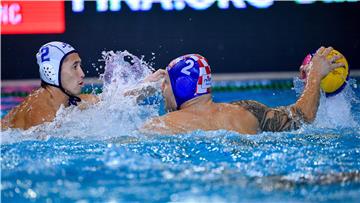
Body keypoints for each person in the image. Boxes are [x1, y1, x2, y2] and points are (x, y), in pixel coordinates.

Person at [142, 46, 345, 134]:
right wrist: (315, 76)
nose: (161, 88)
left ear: (182, 86)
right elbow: (302, 117)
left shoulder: (160, 126)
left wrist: (135, 92)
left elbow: (112, 135)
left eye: (166, 82)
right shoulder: (247, 111)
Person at [1, 41, 164, 131]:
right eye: (74, 66)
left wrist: (148, 84)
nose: (82, 73)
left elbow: (113, 102)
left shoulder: (70, 101)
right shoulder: (39, 111)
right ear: (51, 71)